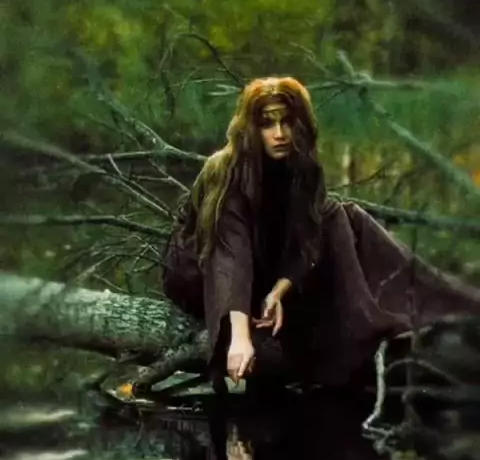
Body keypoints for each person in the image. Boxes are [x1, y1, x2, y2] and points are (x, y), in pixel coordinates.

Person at [163, 76, 480, 389]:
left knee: (342, 215)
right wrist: (240, 338)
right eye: (267, 124)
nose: (279, 134)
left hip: (262, 263)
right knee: (334, 217)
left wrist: (279, 291)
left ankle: (448, 306)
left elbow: (308, 236)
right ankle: (362, 330)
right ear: (252, 129)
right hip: (200, 270)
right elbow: (229, 253)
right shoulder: (227, 169)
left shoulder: (302, 167)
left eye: (287, 122)